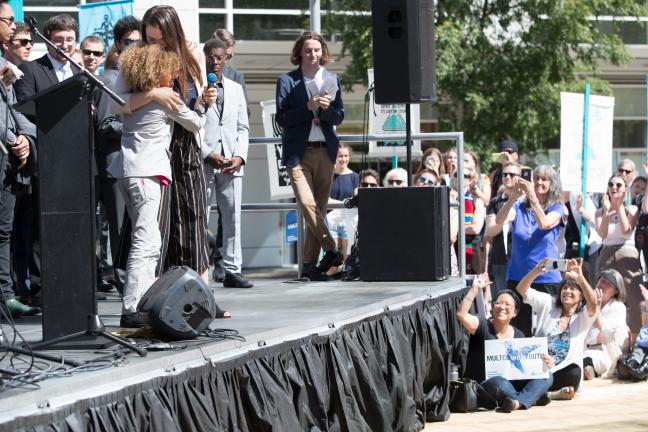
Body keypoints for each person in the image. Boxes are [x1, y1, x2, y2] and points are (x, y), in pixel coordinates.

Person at [113, 6, 216, 285]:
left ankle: (202, 293)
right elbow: (116, 103)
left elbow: (197, 109)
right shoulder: (137, 56)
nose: (155, 45)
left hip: (185, 145)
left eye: (161, 39)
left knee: (193, 218)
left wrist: (207, 99)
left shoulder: (194, 53)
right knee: (158, 225)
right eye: (150, 39)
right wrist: (152, 94)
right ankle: (158, 292)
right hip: (154, 148)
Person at [108, 43, 206, 327]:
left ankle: (141, 302)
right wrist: (203, 104)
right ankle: (133, 307)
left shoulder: (132, 97)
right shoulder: (166, 98)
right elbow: (195, 124)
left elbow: (116, 104)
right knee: (147, 241)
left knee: (148, 238)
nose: (175, 75)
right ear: (157, 71)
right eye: (172, 71)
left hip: (128, 171)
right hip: (147, 172)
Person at [13, 14, 79, 309]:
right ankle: (40, 288)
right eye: (59, 40)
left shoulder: (81, 72)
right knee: (41, 228)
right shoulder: (31, 70)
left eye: (69, 40)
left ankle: (70, 284)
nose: (64, 45)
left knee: (73, 226)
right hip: (46, 160)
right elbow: (26, 107)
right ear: (48, 41)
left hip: (75, 161)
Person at [275, 31, 344, 280]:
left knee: (318, 209)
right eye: (307, 50)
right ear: (299, 53)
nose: (312, 54)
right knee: (307, 204)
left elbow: (339, 116)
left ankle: (309, 266)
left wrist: (325, 110)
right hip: (298, 153)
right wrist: (307, 107)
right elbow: (281, 119)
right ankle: (333, 249)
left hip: (326, 151)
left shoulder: (332, 79)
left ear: (322, 52)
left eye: (316, 50)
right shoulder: (287, 81)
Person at [457, 274, 553, 412]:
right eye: (498, 303)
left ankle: (517, 403)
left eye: (508, 304)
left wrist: (544, 363)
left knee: (547, 375)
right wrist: (475, 289)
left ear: (515, 312)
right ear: (492, 307)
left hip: (512, 383)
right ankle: (531, 399)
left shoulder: (519, 334)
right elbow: (461, 314)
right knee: (498, 382)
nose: (502, 307)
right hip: (487, 384)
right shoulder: (482, 325)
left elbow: (525, 368)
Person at [94, 15, 141, 293]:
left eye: (139, 41)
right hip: (116, 164)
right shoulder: (108, 79)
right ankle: (125, 283)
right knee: (121, 228)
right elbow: (105, 124)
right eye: (128, 42)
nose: (134, 47)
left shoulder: (141, 77)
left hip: (143, 161)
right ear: (118, 45)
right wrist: (135, 123)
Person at [201, 38, 252, 289]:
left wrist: (239, 157)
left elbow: (243, 126)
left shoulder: (235, 88)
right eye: (210, 56)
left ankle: (233, 269)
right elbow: (190, 126)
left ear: (226, 58)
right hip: (204, 161)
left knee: (232, 218)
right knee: (201, 217)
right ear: (204, 56)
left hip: (231, 162)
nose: (214, 61)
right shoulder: (195, 85)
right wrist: (207, 153)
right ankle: (200, 270)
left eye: (219, 57)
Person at [0, 0, 39, 318]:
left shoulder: (4, 67)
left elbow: (15, 110)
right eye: (8, 19)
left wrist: (28, 137)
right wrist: (13, 138)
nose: (14, 25)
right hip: (5, 147)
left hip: (8, 159)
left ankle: (5, 294)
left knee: (5, 230)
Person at [496, 165, 565, 336]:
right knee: (518, 326)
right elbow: (499, 220)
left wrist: (532, 195)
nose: (539, 182)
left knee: (550, 325)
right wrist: (513, 198)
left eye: (544, 179)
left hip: (547, 275)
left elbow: (544, 224)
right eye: (536, 178)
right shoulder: (519, 206)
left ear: (552, 184)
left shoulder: (557, 208)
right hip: (518, 275)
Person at [516, 258, 599, 399]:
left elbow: (593, 303)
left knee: (574, 372)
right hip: (539, 367)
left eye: (573, 289)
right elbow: (522, 289)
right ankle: (547, 394)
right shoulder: (549, 303)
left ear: (581, 297)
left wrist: (580, 279)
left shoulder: (583, 316)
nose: (567, 291)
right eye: (565, 288)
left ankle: (542, 393)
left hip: (561, 372)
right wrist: (536, 270)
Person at [596, 175, 643, 342]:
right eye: (611, 184)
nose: (614, 187)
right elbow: (602, 234)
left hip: (627, 251)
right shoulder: (600, 211)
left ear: (625, 189)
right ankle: (603, 338)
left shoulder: (632, 208)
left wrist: (619, 205)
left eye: (619, 184)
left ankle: (635, 341)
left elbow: (625, 230)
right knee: (602, 296)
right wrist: (608, 211)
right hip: (607, 252)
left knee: (635, 299)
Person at [583, 269, 629, 380]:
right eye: (602, 280)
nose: (602, 285)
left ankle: (589, 370)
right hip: (583, 349)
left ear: (615, 291)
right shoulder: (585, 304)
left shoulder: (618, 307)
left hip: (604, 353)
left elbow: (607, 333)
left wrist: (596, 308)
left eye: (608, 284)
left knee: (584, 362)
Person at [485, 161, 521, 296]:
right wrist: (506, 218)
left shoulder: (526, 201)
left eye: (512, 174)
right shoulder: (495, 202)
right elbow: (491, 231)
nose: (507, 177)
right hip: (501, 259)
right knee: (501, 300)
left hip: (521, 260)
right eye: (504, 174)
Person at [327, 143, 359, 264]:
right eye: (340, 156)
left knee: (348, 256)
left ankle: (347, 271)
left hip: (347, 220)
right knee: (333, 256)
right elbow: (326, 200)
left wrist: (348, 203)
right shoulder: (328, 175)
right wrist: (346, 203)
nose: (343, 159)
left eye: (346, 156)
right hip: (331, 219)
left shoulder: (355, 177)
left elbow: (356, 199)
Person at [452, 167, 486, 274]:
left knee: (472, 285)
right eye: (457, 175)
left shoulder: (477, 201)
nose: (460, 178)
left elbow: (475, 229)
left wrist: (452, 230)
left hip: (471, 248)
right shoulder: (447, 199)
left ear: (470, 180)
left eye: (465, 176)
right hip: (451, 249)